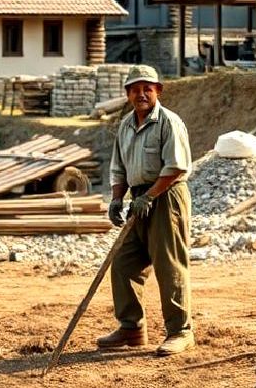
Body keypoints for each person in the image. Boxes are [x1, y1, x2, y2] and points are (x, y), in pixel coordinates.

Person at [97, 64, 195, 357]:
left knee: (168, 265)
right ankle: (132, 328)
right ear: (127, 94)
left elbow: (176, 167)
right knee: (124, 263)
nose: (141, 94)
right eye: (135, 89)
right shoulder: (126, 125)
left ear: (158, 91)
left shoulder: (169, 122)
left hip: (166, 197)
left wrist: (150, 196)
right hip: (139, 198)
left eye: (147, 89)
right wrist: (117, 200)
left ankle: (180, 331)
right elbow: (119, 168)